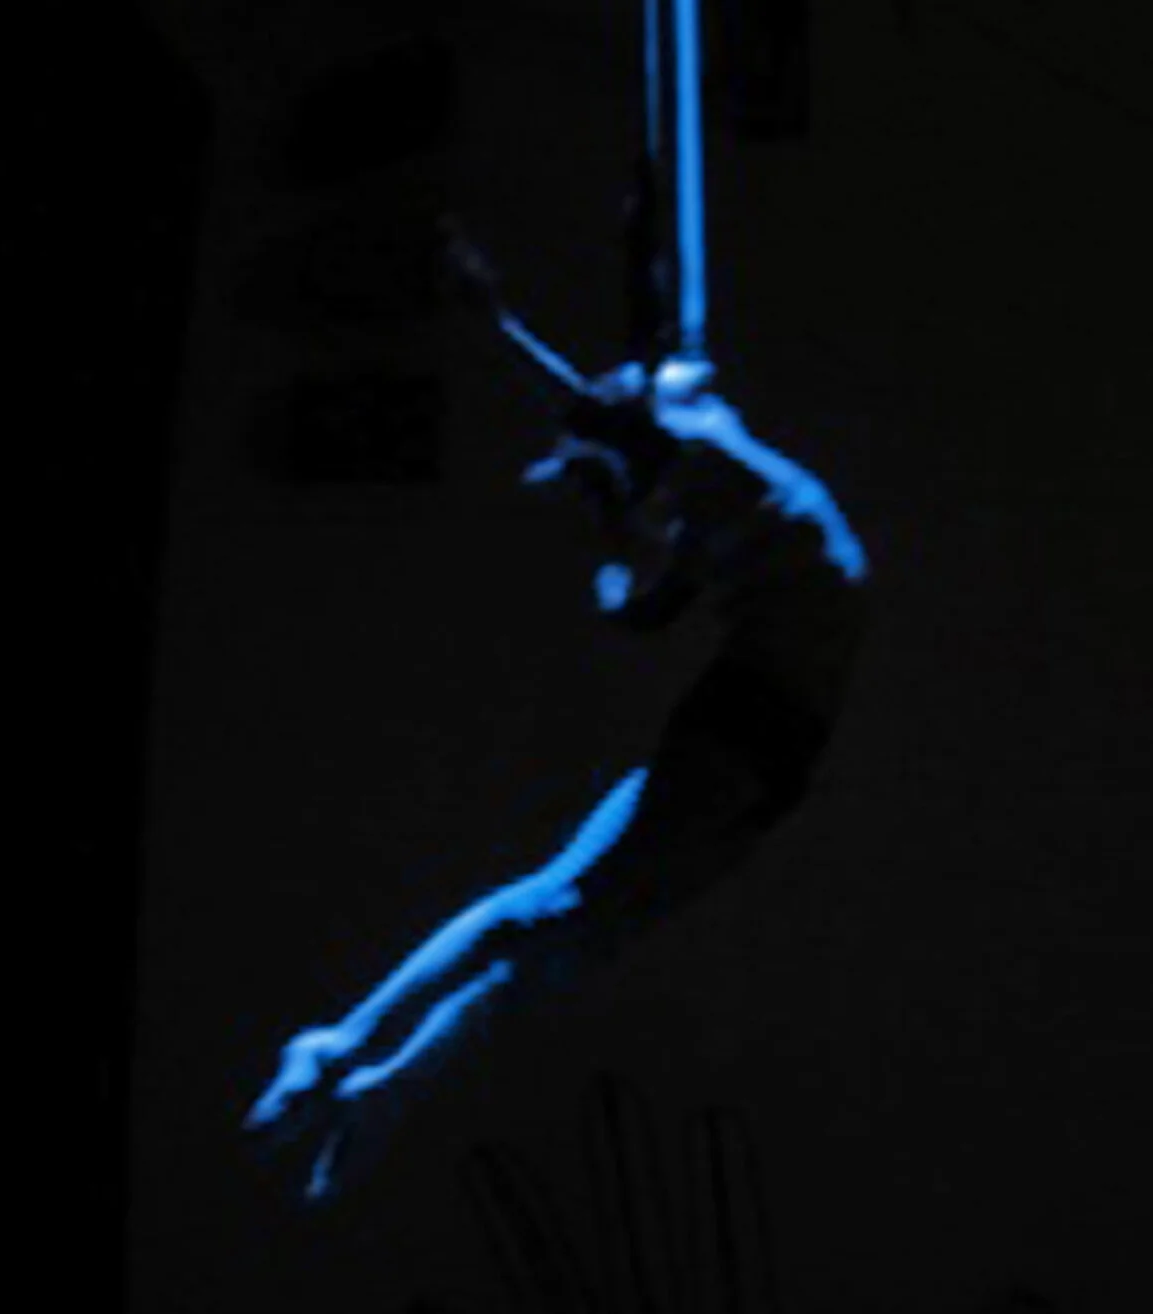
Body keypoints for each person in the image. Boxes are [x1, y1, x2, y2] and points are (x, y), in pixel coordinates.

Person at [244, 234, 872, 1202]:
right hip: (750, 726)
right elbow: (594, 414)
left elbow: (644, 594)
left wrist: (617, 552)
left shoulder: (706, 471)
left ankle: (389, 1088)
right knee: (557, 905)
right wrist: (499, 324)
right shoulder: (695, 453)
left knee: (574, 943)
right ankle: (340, 1043)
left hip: (777, 762)